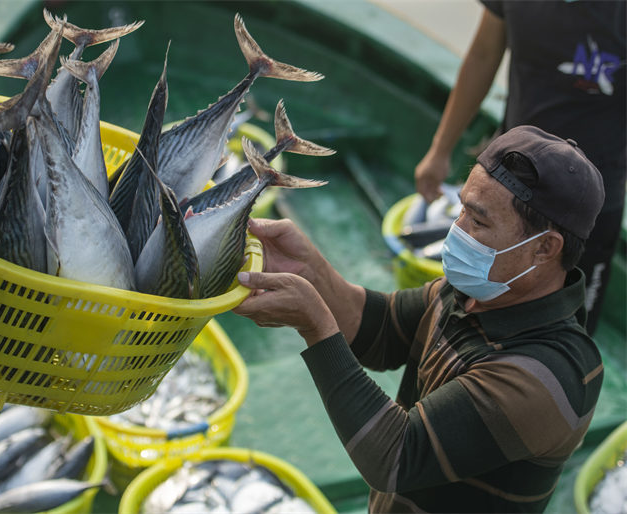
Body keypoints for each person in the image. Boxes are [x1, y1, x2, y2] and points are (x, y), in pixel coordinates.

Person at [234, 126, 605, 513]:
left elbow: (396, 457)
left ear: (544, 247)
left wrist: (315, 325)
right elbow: (379, 329)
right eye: (461, 208)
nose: (457, 231)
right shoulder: (478, 292)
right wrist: (311, 270)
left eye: (478, 222)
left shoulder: (548, 376)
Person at [414, 0, 625, 335]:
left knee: (574, 335)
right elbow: (483, 54)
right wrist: (440, 150)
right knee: (466, 314)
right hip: (508, 187)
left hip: (590, 209)